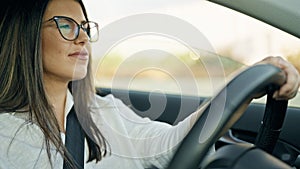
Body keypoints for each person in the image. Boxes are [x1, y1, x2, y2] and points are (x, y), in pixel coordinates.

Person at [0, 0, 299, 169]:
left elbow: (170, 145)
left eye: (85, 27)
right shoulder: (5, 136)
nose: (82, 38)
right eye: (66, 25)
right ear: (25, 36)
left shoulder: (104, 111)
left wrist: (242, 85)